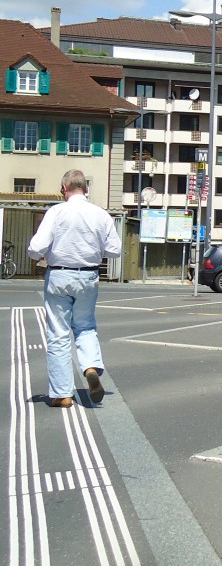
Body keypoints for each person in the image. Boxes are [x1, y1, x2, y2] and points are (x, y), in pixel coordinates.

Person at [27, 169, 122, 408]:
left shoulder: (57, 211)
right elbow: (115, 250)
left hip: (59, 274)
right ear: (86, 189)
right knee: (85, 327)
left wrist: (39, 255)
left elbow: (36, 246)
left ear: (63, 189)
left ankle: (62, 394)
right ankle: (90, 367)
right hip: (88, 275)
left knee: (58, 333)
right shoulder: (100, 214)